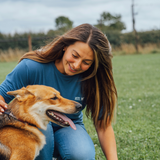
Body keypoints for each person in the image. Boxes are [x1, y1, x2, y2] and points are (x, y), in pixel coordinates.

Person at [0, 23, 118, 160]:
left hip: (68, 126)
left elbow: (103, 126)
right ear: (65, 47)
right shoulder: (31, 66)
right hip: (30, 126)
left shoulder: (93, 80)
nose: (76, 65)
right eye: (75, 55)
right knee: (40, 120)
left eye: (86, 62)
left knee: (82, 154)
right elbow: (2, 95)